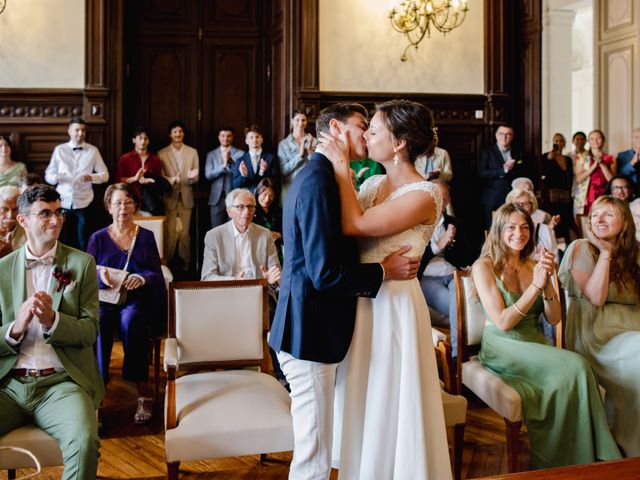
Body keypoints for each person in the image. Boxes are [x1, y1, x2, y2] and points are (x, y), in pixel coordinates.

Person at [268, 103, 421, 480]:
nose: (367, 134)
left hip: (313, 327)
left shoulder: (326, 176)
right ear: (336, 128)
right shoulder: (319, 181)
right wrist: (383, 271)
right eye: (361, 126)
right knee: (314, 457)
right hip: (310, 333)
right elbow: (323, 273)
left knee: (316, 449)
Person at [320, 99, 452, 479]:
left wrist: (342, 167)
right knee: (362, 396)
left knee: (390, 398)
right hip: (363, 300)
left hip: (394, 307)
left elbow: (357, 226)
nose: (366, 135)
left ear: (398, 143)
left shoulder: (426, 194)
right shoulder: (373, 182)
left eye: (374, 130)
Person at [472, 203, 621, 468]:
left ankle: (580, 458)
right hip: (502, 345)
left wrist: (549, 280)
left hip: (534, 342)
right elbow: (503, 322)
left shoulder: (533, 264)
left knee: (572, 374)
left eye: (525, 227)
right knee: (577, 366)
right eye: (512, 227)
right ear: (498, 231)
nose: (519, 233)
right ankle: (580, 459)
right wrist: (536, 286)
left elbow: (553, 318)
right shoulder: (484, 267)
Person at [0, 184, 104, 479]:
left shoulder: (81, 264)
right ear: (23, 220)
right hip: (7, 384)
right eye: (45, 214)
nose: (56, 221)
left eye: (59, 213)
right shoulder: (1, 270)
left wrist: (53, 321)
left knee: (85, 442)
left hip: (61, 384)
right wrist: (15, 328)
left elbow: (90, 330)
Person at [558, 196, 640, 457]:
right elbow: (596, 297)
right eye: (595, 215)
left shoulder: (635, 253)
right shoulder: (581, 248)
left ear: (625, 221)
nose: (599, 220)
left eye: (608, 214)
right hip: (598, 336)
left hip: (634, 332)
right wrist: (605, 253)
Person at [87, 183, 166, 425]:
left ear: (135, 205)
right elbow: (86, 272)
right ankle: (97, 394)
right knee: (99, 321)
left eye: (128, 202)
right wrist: (101, 276)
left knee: (131, 321)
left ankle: (142, 389)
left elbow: (156, 273)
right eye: (118, 202)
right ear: (109, 207)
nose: (123, 207)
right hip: (105, 298)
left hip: (135, 300)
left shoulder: (146, 236)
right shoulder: (98, 238)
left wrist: (141, 278)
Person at [418, 179, 471, 358]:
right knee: (457, 305)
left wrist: (451, 242)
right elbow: (414, 257)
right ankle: (458, 354)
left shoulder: (453, 223)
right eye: (435, 196)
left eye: (444, 197)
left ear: (447, 201)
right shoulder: (417, 224)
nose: (440, 201)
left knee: (467, 301)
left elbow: (465, 256)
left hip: (452, 273)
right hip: (428, 277)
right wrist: (437, 246)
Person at [44, 117, 109, 251]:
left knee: (82, 239)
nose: (80, 133)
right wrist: (56, 177)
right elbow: (48, 175)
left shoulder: (93, 151)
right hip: (62, 201)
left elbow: (105, 175)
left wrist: (91, 177)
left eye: (83, 130)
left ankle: (83, 268)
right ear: (69, 131)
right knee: (61, 237)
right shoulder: (60, 150)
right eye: (77, 130)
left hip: (83, 202)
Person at [201, 188, 281, 284]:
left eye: (250, 207)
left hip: (259, 292)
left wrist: (270, 281)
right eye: (240, 207)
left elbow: (276, 274)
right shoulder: (214, 236)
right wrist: (234, 281)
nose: (247, 211)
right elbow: (207, 277)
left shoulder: (265, 234)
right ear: (229, 211)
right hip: (228, 293)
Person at [158, 120, 199, 271]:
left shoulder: (192, 152)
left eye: (180, 132)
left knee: (184, 233)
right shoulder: (162, 153)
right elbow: (160, 176)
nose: (178, 134)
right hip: (170, 197)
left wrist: (189, 178)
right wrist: (171, 179)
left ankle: (186, 262)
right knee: (170, 232)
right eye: (175, 132)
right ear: (170, 134)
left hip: (187, 197)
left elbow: (196, 176)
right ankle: (166, 262)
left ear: (184, 134)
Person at [479, 124, 531, 229]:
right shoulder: (487, 152)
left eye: (508, 134)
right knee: (493, 229)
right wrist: (503, 170)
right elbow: (482, 173)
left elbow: (523, 173)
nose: (504, 137)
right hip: (493, 198)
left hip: (514, 199)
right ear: (496, 135)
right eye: (501, 134)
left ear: (512, 136)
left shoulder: (518, 152)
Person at [116, 126, 167, 215]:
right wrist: (135, 178)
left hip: (150, 204)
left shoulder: (155, 159)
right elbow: (118, 180)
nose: (143, 142)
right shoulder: (125, 159)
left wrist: (151, 182)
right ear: (134, 140)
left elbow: (160, 181)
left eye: (145, 138)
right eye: (140, 138)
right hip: (129, 201)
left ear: (149, 141)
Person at [204, 126, 245, 229]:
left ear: (232, 137)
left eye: (228, 136)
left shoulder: (240, 153)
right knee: (216, 230)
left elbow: (239, 173)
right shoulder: (211, 154)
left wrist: (229, 162)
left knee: (234, 229)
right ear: (219, 137)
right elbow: (208, 175)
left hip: (234, 197)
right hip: (216, 198)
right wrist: (223, 166)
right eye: (223, 136)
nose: (225, 138)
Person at [573, 129, 614, 220]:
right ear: (589, 141)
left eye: (598, 138)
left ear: (603, 140)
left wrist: (602, 163)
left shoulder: (610, 157)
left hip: (604, 194)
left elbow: (612, 180)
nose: (595, 141)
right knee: (586, 224)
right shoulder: (581, 157)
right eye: (592, 139)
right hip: (585, 196)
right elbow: (579, 179)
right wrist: (594, 166)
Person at [542, 132, 575, 240]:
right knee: (554, 219)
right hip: (551, 195)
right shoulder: (546, 156)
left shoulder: (568, 159)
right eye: (556, 141)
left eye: (561, 141)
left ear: (564, 143)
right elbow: (542, 173)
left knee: (567, 220)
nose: (558, 143)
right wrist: (548, 159)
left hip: (566, 195)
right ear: (553, 142)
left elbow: (570, 177)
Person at [278, 111, 317, 202]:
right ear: (292, 121)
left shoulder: (315, 141)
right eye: (297, 120)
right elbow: (284, 170)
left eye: (303, 120)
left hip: (310, 186)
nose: (300, 123)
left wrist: (309, 151)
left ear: (306, 122)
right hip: (290, 187)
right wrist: (300, 155)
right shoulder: (283, 144)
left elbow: (317, 166)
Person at [233, 124, 281, 194]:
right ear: (246, 141)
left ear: (262, 139)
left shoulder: (271, 158)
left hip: (265, 198)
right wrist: (243, 176)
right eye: (251, 137)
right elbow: (235, 185)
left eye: (257, 137)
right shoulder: (240, 160)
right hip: (247, 198)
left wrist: (263, 173)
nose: (254, 140)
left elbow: (276, 182)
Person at [253, 178, 283, 258]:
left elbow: (287, 232)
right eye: (264, 195)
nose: (267, 199)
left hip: (276, 252)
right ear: (258, 193)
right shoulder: (251, 211)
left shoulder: (278, 211)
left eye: (271, 196)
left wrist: (279, 235)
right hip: (257, 253)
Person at [0, 185, 26, 258]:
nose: (10, 216)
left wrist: (9, 251)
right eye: (4, 209)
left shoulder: (29, 230)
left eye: (15, 210)